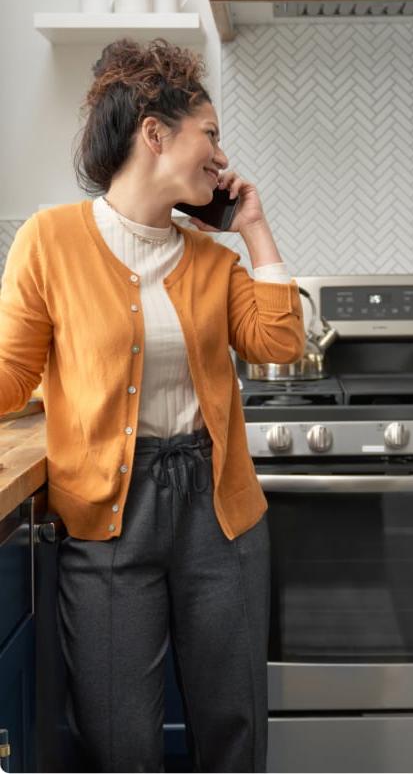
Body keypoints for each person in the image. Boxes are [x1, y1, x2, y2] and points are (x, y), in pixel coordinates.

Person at [0, 38, 304, 772]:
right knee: (117, 729)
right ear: (155, 132)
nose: (220, 156)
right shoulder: (50, 239)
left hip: (217, 506)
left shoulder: (213, 260)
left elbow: (281, 343)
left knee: (231, 721)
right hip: (107, 509)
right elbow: (10, 375)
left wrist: (255, 227)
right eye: (212, 133)